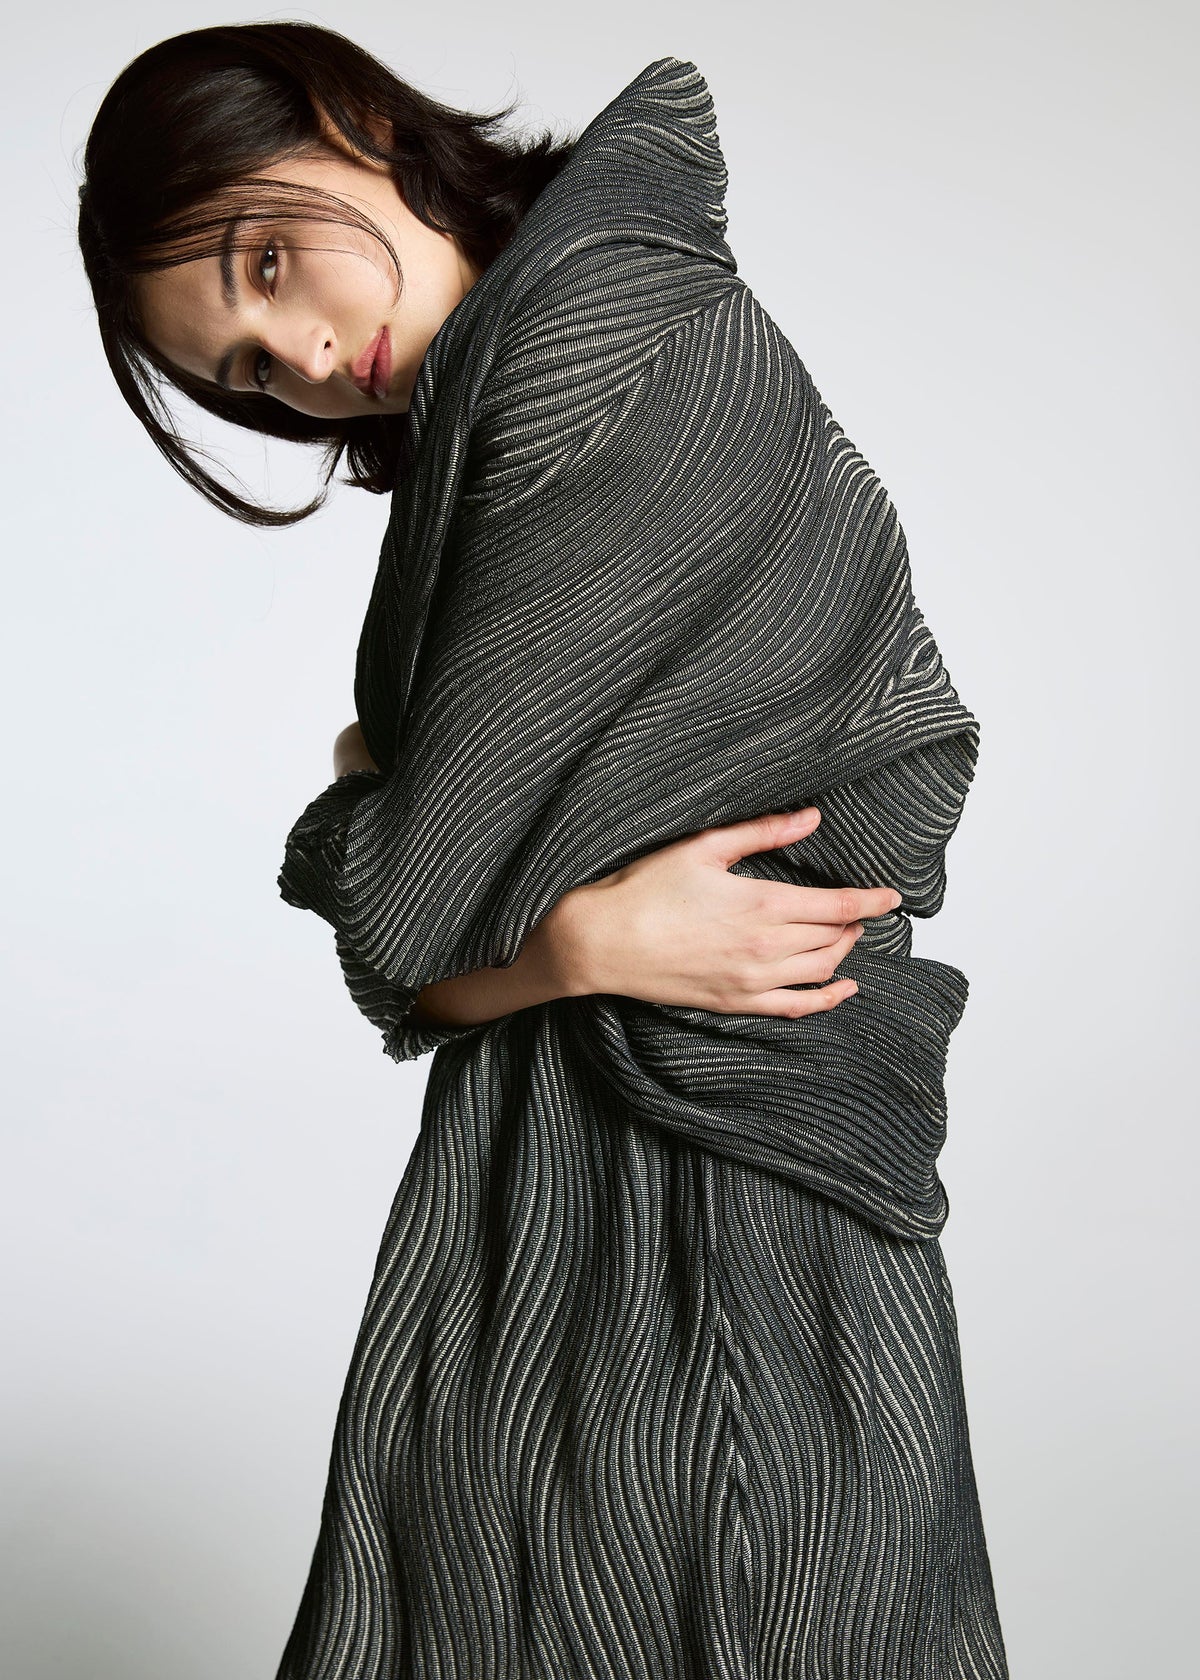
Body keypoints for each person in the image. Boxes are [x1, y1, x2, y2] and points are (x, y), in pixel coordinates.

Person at [77, 22, 1009, 1679]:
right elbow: (436, 956)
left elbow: (405, 903)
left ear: (349, 115)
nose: (307, 356)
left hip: (745, 1173)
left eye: (268, 263)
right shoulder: (492, 405)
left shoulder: (601, 341)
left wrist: (369, 799)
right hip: (563, 1164)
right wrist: (574, 947)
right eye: (253, 374)